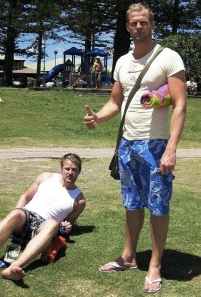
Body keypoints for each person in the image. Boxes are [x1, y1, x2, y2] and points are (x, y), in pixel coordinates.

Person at [84, 3, 186, 294]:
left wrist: (172, 148)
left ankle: (154, 265)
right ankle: (129, 257)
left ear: (152, 24)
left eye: (143, 22)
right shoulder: (122, 62)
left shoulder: (168, 57)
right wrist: (98, 117)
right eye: (133, 23)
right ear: (127, 27)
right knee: (131, 202)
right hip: (127, 145)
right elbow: (116, 102)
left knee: (157, 205)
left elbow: (180, 104)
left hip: (156, 145)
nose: (138, 27)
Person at [0, 153, 86, 281]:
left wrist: (67, 227)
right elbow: (26, 197)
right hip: (26, 217)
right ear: (61, 168)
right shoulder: (46, 177)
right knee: (16, 213)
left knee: (53, 224)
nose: (70, 172)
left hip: (44, 227)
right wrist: (15, 216)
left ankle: (13, 268)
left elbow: (66, 226)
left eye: (74, 169)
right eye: (67, 168)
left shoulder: (79, 200)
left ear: (79, 172)